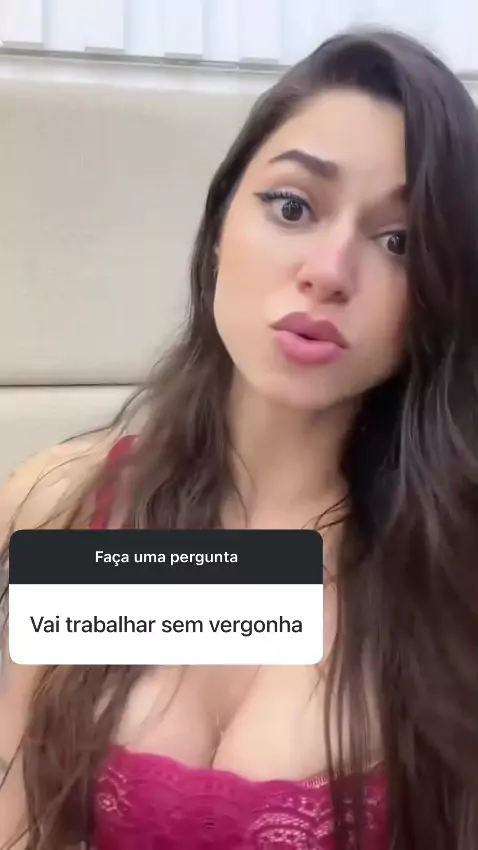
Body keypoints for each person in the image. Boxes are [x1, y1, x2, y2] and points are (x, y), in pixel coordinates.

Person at [1, 26, 477, 850]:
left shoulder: (449, 570)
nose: (329, 270)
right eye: (293, 206)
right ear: (220, 223)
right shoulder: (75, 509)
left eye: (398, 242)